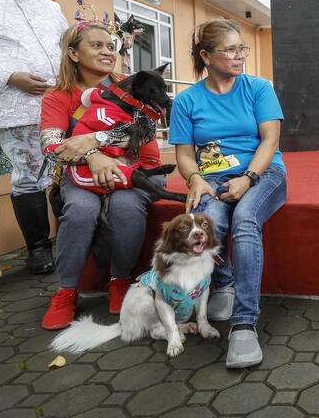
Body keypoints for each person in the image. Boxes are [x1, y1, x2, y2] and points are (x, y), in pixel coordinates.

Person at [169, 19, 287, 368]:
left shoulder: (259, 88)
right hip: (214, 178)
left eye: (242, 49)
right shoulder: (187, 100)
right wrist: (195, 179)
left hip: (264, 171)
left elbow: (270, 140)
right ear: (206, 55)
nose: (240, 56)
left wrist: (249, 177)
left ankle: (244, 322)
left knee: (246, 220)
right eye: (231, 49)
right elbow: (185, 154)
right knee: (209, 224)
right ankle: (224, 281)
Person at [39, 20, 166, 330]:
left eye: (111, 46)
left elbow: (147, 131)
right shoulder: (57, 97)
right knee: (81, 210)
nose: (108, 51)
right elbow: (51, 146)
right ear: (73, 53)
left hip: (139, 168)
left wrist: (94, 139)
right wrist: (93, 156)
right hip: (83, 172)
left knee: (125, 206)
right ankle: (66, 290)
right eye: (96, 46)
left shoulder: (134, 83)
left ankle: (119, 280)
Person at [0, 0, 67, 274]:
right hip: (14, 108)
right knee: (28, 176)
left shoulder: (50, 8)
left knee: (66, 171)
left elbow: (69, 48)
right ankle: (38, 249)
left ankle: (73, 239)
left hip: (62, 105)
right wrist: (9, 76)